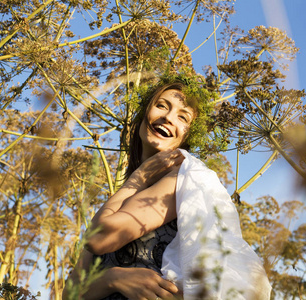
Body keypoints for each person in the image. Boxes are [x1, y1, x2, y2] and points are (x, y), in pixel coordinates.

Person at [63, 75, 271, 300]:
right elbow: (70, 294)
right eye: (162, 105)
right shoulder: (128, 192)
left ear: (187, 136)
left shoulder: (179, 184)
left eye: (183, 117)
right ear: (144, 113)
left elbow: (99, 238)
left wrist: (138, 178)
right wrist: (112, 278)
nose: (168, 118)